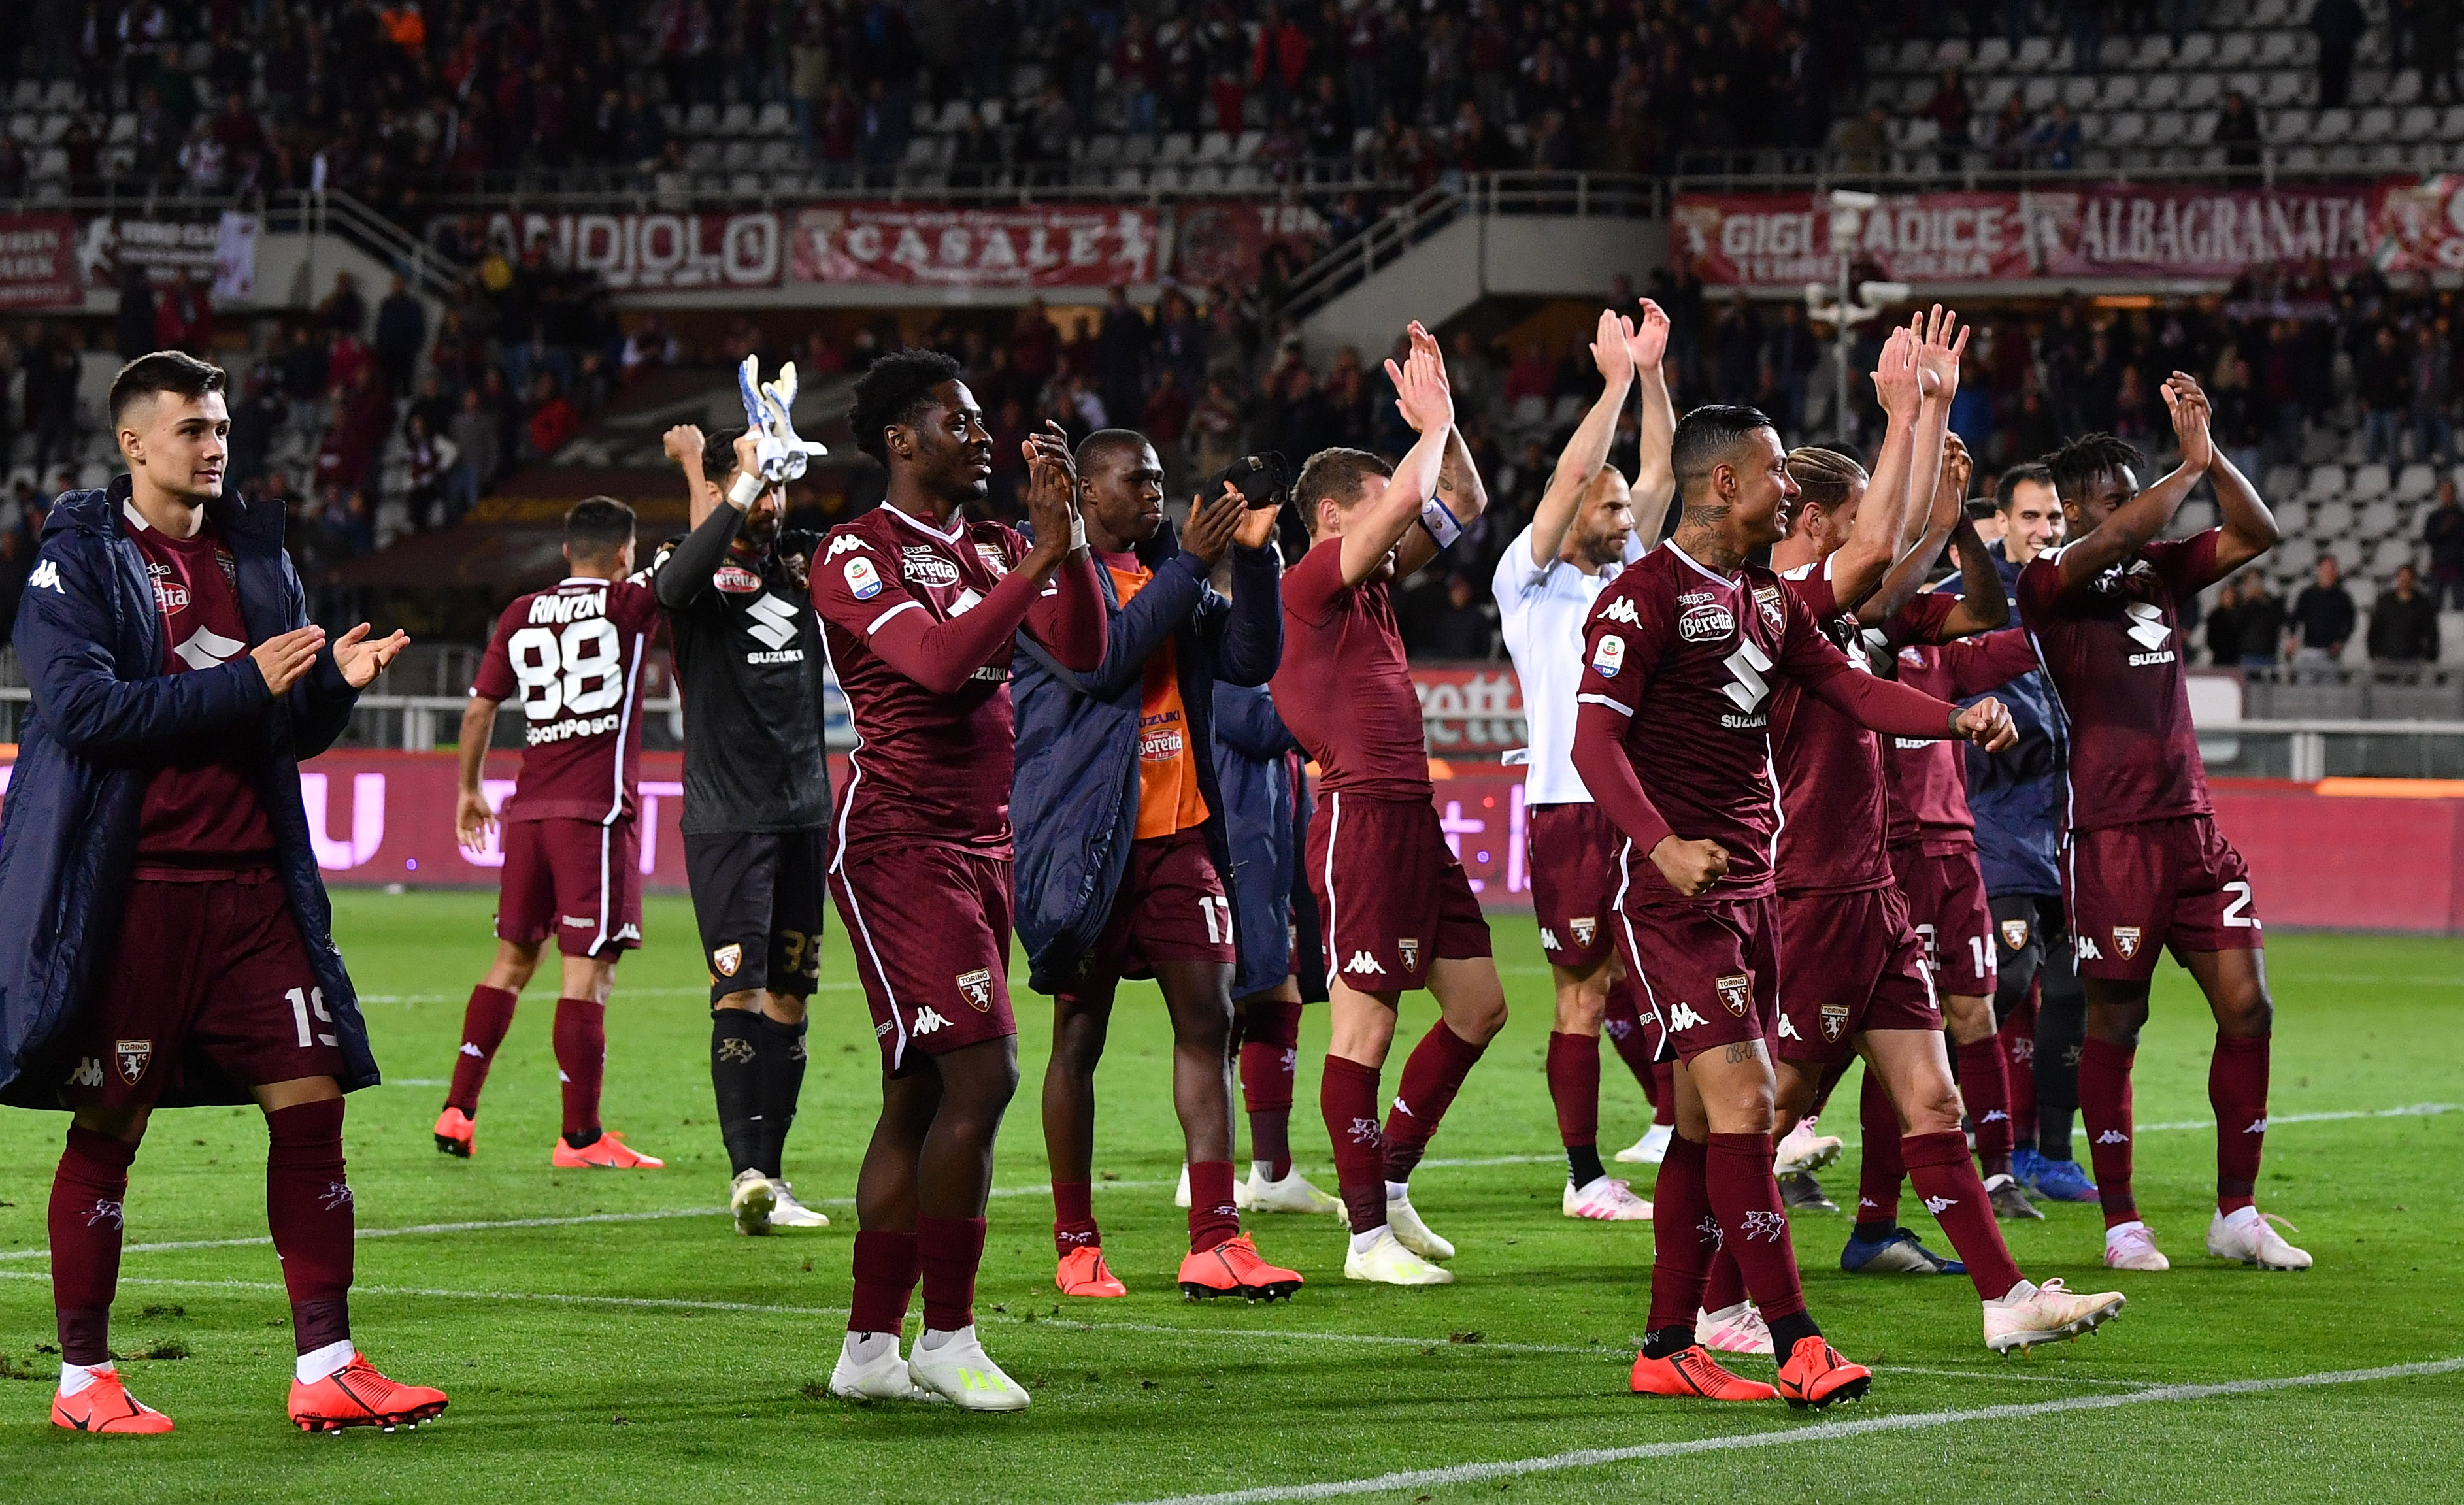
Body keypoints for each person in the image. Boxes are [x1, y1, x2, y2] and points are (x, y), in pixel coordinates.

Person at [0, 351, 441, 1434]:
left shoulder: (257, 560)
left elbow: (279, 732)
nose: (215, 447)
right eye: (193, 429)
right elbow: (85, 711)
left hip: (253, 891)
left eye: (222, 428)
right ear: (134, 443)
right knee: (108, 1126)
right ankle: (83, 1381)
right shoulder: (77, 563)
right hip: (132, 892)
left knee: (311, 1101)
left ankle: (328, 1362)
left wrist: (331, 688)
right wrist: (248, 680)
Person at [1569, 399, 2032, 1408]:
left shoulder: (1767, 602)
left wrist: (1957, 718)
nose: (1790, 487)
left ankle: (1664, 1343)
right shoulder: (1639, 600)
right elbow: (1591, 745)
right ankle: (1795, 1340)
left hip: (1756, 894)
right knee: (1746, 1107)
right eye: (1777, 470)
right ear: (1725, 481)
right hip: (1673, 897)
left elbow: (1857, 692)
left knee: (1702, 1131)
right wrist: (1659, 842)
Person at [814, 350, 1106, 1410]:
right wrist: (1033, 565)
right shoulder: (854, 551)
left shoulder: (993, 542)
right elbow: (936, 664)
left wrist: (1059, 550)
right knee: (982, 1076)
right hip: (898, 839)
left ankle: (866, 1348)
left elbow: (1084, 645)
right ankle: (947, 1335)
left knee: (919, 1091)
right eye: (960, 419)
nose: (984, 435)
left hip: (991, 842)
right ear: (901, 436)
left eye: (984, 420)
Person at [2021, 381, 2310, 1274]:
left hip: (2191, 827)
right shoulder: (2046, 583)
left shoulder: (2157, 570)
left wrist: (2209, 455)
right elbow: (2110, 539)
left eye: (2131, 489)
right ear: (2073, 508)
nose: (2129, 508)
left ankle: (2236, 1211)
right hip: (2109, 834)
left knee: (2248, 1005)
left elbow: (2259, 534)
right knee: (2117, 1015)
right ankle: (2120, 1224)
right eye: (2113, 494)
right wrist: (2182, 470)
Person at [1010, 430, 1299, 1301]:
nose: (1154, 494)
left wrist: (1255, 559)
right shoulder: (1051, 580)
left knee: (1209, 1023)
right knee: (1077, 1035)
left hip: (1178, 838)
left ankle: (1214, 1236)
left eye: (1160, 482)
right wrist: (1192, 564)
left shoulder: (1165, 576)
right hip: (1084, 849)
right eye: (1135, 481)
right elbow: (1102, 661)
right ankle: (1075, 1241)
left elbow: (1250, 659)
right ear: (1086, 495)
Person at [1271, 321, 1508, 1287]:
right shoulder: (1311, 583)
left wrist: (1444, 425)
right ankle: (1364, 1233)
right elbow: (1412, 494)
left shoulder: (1372, 583)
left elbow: (1463, 499)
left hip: (1414, 820)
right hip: (1359, 818)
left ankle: (1392, 1180)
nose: (1399, 528)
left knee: (1480, 1006)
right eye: (1378, 511)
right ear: (1335, 517)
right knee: (1361, 1030)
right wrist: (1431, 425)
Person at [1491, 304, 1676, 1225]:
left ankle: (1681, 1131)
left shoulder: (1624, 569)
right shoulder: (1523, 579)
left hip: (1639, 805)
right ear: (1569, 516)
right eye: (1605, 508)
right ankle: (1581, 1174)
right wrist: (1606, 386)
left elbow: (1660, 469)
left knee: (1663, 968)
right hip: (1567, 804)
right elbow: (1578, 472)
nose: (1622, 515)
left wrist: (1646, 373)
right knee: (1583, 988)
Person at [432, 498, 665, 1170]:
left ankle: (458, 1107)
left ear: (565, 552)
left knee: (512, 960)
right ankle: (582, 1137)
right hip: (591, 813)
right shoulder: (626, 603)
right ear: (623, 553)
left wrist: (469, 789)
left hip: (527, 809)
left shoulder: (520, 611)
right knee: (587, 974)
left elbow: (479, 710)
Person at [650, 422, 837, 1236]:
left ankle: (776, 1174)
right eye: (762, 485)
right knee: (741, 988)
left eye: (780, 486)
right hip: (729, 820)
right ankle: (745, 1173)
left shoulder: (798, 566)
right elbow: (673, 583)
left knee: (793, 996)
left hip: (804, 813)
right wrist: (722, 481)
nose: (775, 501)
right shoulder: (690, 575)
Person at [1881, 482, 2046, 1226]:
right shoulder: (1843, 639)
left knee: (1973, 1013)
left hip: (1955, 851)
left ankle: (2001, 1171)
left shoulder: (1936, 643)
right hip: (1884, 857)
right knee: (1872, 1031)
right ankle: (1795, 1152)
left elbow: (2011, 640)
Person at [1971, 461, 2097, 1204]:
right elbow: (1951, 674)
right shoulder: (1977, 596)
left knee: (2074, 989)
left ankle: (2048, 1153)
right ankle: (1949, 1126)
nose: (2045, 531)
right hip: (1999, 825)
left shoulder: (2074, 596)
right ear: (2001, 521)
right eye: (2029, 517)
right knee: (2008, 979)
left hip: (2069, 830)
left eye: (2053, 517)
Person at [1207, 672, 1339, 1216]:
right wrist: (1331, 701)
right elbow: (1260, 726)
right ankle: (1213, 1172)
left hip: (1267, 841)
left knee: (1266, 999)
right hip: (1235, 846)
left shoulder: (1256, 660)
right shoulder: (1220, 650)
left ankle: (1267, 1171)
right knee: (1231, 1006)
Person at [2289, 554, 2356, 667]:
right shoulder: (2307, 595)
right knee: (2305, 684)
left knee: (2330, 685)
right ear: (2319, 569)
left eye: (2332, 569)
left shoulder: (2342, 597)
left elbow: (2350, 622)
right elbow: (2296, 617)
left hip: (2331, 653)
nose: (2328, 572)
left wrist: (2340, 641)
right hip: (2309, 650)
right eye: (2326, 569)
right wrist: (2293, 637)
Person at [2367, 563, 2441, 665]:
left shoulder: (2423, 603)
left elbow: (2432, 631)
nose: (2404, 580)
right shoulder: (2384, 602)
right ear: (2397, 578)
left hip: (2413, 658)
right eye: (2402, 577)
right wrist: (2373, 652)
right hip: (2386, 658)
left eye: (2407, 577)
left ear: (2413, 580)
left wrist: (2430, 655)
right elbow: (2374, 629)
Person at [2205, 577, 2244, 665]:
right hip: (2219, 657)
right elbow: (2211, 639)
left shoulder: (2241, 614)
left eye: (2230, 595)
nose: (2228, 598)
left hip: (2236, 657)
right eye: (2226, 595)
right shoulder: (2215, 616)